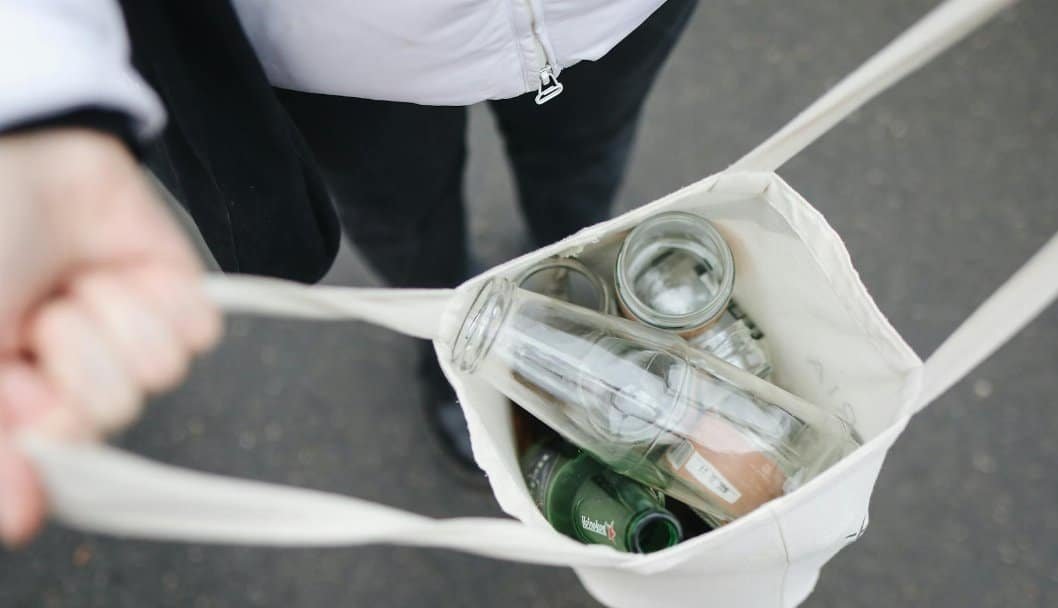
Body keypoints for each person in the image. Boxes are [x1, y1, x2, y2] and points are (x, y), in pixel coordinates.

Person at [0, 0, 697, 547]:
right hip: (338, 50)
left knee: (583, 179)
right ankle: (452, 337)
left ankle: (575, 291)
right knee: (405, 223)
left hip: (614, 11)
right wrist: (37, 89)